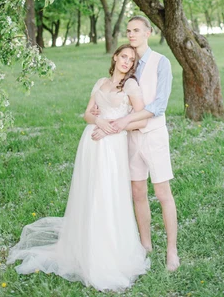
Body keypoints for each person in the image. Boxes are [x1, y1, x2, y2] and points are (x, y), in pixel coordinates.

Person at [7, 44, 150, 292]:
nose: (127, 62)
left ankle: (107, 251)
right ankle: (85, 244)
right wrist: (98, 120)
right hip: (91, 144)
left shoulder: (131, 86)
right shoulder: (100, 82)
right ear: (115, 57)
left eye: (132, 60)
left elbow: (142, 118)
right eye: (124, 57)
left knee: (107, 194)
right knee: (90, 191)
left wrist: (112, 127)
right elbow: (87, 113)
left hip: (112, 145)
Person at [92, 16, 179, 271]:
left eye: (137, 30)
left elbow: (159, 105)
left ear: (148, 33)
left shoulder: (161, 63)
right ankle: (145, 245)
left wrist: (122, 121)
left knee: (163, 194)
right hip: (129, 139)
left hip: (153, 136)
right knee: (138, 193)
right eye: (129, 30)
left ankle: (172, 251)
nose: (131, 34)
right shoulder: (128, 64)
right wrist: (107, 119)